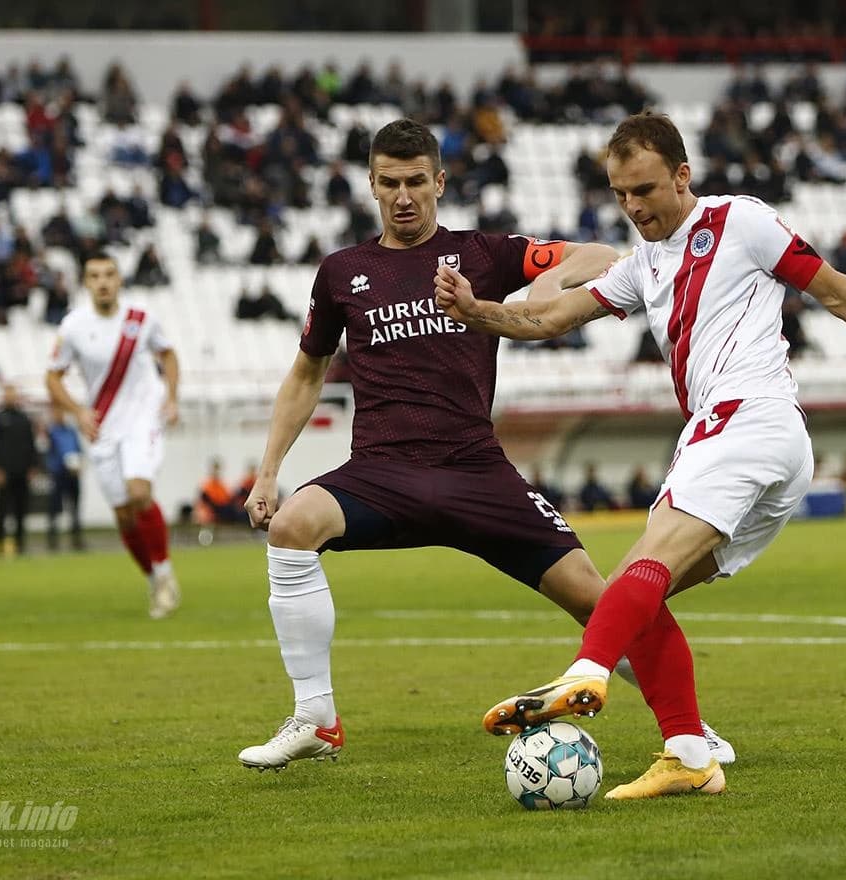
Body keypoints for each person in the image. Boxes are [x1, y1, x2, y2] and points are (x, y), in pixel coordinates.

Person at [435, 110, 846, 799]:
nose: (635, 207)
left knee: (640, 571)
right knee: (635, 596)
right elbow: (546, 319)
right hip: (765, 445)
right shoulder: (640, 267)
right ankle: (690, 753)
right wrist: (476, 309)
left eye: (646, 190)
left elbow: (836, 291)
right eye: (621, 195)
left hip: (745, 418)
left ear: (682, 175)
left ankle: (585, 674)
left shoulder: (740, 221)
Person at [237, 118, 734, 771]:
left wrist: (547, 286)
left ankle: (689, 728)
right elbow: (307, 372)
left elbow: (597, 255)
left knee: (601, 596)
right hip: (382, 473)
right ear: (371, 186)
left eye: (417, 181)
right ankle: (315, 719)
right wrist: (268, 472)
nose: (404, 196)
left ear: (440, 182)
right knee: (294, 527)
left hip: (477, 474)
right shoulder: (342, 273)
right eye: (390, 183)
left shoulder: (483, 253)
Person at [46, 251, 182, 618]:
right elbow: (52, 377)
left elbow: (168, 355)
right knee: (123, 515)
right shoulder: (73, 326)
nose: (103, 282)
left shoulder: (141, 318)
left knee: (139, 492)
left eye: (109, 274)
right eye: (94, 276)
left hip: (142, 418)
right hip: (103, 425)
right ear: (86, 283)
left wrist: (171, 397)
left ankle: (166, 576)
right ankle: (155, 578)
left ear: (120, 279)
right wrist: (77, 411)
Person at [0, 384, 37, 557]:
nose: (10, 398)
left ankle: (20, 543)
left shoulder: (24, 418)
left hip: (22, 471)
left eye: (13, 394)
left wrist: (32, 466)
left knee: (20, 509)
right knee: (2, 510)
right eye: (8, 394)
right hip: (4, 471)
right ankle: (0, 544)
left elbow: (31, 444)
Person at [45, 404, 85, 551]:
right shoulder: (52, 432)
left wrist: (78, 465)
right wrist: (58, 466)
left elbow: (79, 450)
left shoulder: (71, 431)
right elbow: (51, 453)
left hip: (72, 474)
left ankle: (77, 537)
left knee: (74, 507)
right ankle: (52, 536)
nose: (59, 416)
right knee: (55, 507)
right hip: (59, 474)